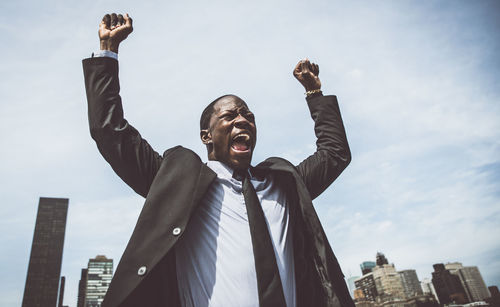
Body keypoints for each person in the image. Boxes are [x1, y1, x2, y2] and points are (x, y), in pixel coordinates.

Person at [83, 13, 353, 307]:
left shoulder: (285, 185)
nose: (243, 120)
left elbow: (334, 153)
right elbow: (110, 132)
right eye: (230, 115)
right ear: (206, 136)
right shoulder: (176, 185)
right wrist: (108, 51)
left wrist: (314, 93)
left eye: (248, 115)